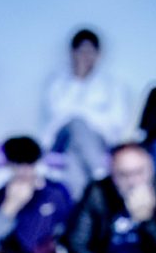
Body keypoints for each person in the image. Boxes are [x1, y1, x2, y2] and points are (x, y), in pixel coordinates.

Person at [43, 28, 133, 200]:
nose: (85, 57)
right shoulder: (58, 82)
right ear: (72, 53)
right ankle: (101, 177)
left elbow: (117, 121)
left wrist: (81, 116)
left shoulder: (112, 85)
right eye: (81, 52)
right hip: (61, 139)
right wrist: (79, 83)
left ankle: (79, 203)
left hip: (97, 141)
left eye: (90, 52)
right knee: (77, 125)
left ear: (98, 55)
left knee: (75, 152)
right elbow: (57, 115)